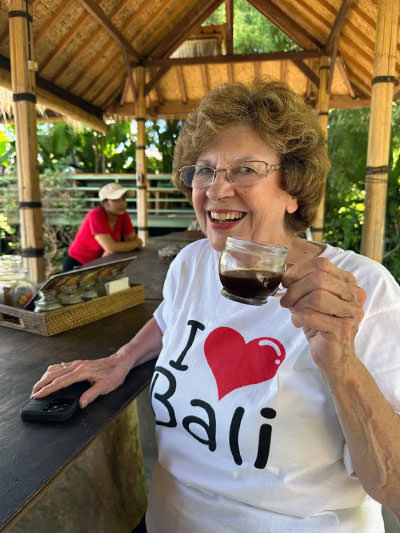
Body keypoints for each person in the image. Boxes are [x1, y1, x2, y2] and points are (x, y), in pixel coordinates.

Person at [32, 79, 400, 532]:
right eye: (203, 170)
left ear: (293, 190)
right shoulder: (192, 263)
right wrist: (120, 360)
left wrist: (341, 364)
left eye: (245, 169)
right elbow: (171, 320)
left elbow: (393, 487)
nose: (216, 189)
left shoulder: (362, 291)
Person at [62, 181, 142, 272]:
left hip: (99, 263)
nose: (122, 203)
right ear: (104, 203)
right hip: (78, 263)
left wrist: (120, 247)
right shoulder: (95, 215)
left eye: (123, 199)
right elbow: (111, 248)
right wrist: (136, 243)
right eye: (116, 199)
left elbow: (130, 240)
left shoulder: (122, 214)